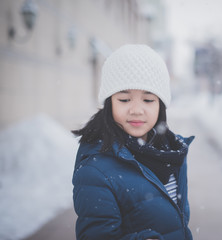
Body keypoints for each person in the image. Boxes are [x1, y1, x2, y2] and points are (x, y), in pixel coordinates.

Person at [72, 44, 194, 240]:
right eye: (124, 99)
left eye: (148, 100)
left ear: (160, 105)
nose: (136, 110)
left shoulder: (171, 153)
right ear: (109, 103)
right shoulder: (95, 171)